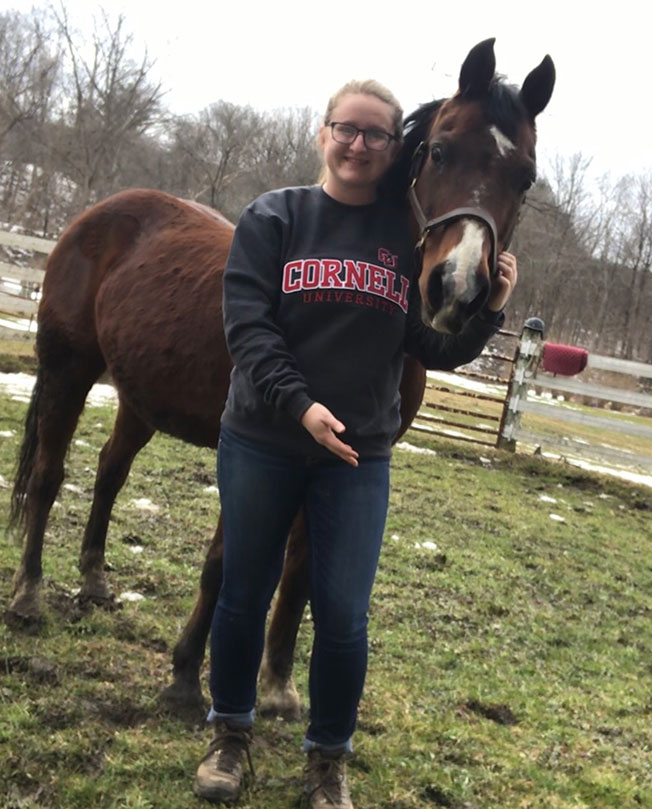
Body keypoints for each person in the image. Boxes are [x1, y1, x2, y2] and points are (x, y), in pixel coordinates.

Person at [194, 78, 518, 808]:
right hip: (263, 439)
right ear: (324, 133)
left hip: (358, 457)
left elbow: (427, 348)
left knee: (343, 617)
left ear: (391, 147)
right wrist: (300, 405)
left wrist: (490, 311)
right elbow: (248, 329)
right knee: (242, 592)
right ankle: (230, 733)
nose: (359, 143)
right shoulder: (275, 216)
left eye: (375, 133)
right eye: (347, 128)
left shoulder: (400, 244)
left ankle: (327, 759)